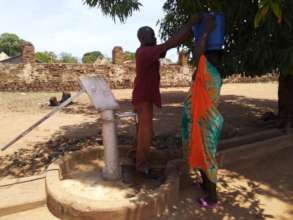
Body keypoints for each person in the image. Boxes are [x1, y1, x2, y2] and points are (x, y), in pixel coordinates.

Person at [132, 15, 202, 175]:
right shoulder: (145, 52)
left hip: (141, 96)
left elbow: (163, 52)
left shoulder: (143, 51)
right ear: (143, 38)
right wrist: (190, 24)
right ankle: (141, 165)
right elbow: (170, 44)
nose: (155, 38)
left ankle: (134, 155)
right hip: (143, 98)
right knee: (146, 132)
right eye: (152, 36)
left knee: (141, 130)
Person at [181, 15, 224, 208]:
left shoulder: (208, 71)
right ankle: (205, 185)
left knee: (207, 159)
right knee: (200, 155)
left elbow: (198, 53)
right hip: (201, 122)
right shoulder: (208, 74)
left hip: (205, 123)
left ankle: (212, 197)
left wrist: (205, 30)